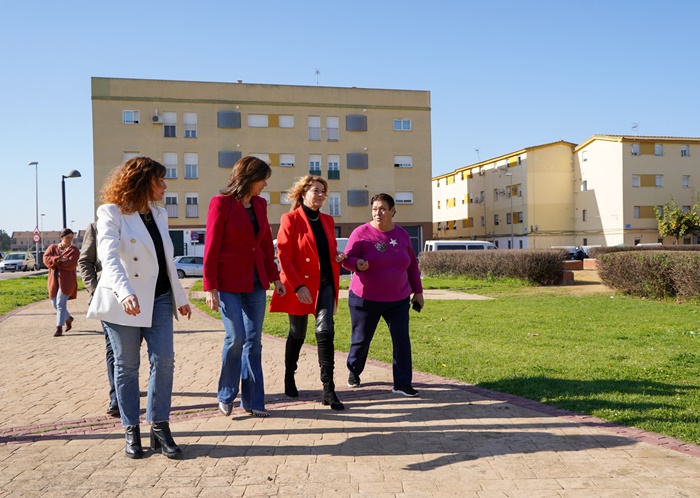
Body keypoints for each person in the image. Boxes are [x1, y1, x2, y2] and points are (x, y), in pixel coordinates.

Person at [86, 157, 192, 459]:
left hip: (159, 298)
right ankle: (130, 429)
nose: (165, 186)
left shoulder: (160, 213)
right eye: (160, 180)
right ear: (142, 182)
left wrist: (180, 298)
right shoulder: (111, 212)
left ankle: (159, 426)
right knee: (127, 367)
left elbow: (166, 260)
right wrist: (125, 292)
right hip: (124, 301)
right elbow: (109, 257)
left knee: (165, 360)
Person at [203, 156, 285, 418]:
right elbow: (211, 246)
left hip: (256, 281)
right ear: (249, 178)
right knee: (236, 336)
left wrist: (275, 278)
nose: (264, 185)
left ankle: (252, 399)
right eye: (262, 179)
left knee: (254, 341)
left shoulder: (260, 204)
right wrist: (210, 286)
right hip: (227, 282)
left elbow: (262, 245)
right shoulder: (221, 203)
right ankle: (226, 393)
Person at [269, 175, 346, 411]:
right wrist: (297, 286)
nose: (320, 194)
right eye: (315, 190)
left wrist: (337, 257)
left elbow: (325, 251)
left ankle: (328, 389)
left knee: (326, 331)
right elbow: (284, 256)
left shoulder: (328, 220)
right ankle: (289, 376)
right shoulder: (290, 219)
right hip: (299, 286)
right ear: (303, 193)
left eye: (323, 191)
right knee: (297, 333)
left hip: (324, 284)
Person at [341, 193, 424, 397]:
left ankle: (402, 383)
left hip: (398, 299)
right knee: (361, 340)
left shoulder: (402, 235)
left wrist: (418, 292)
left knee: (401, 340)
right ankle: (354, 370)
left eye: (383, 209)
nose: (378, 213)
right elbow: (346, 259)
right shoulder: (361, 232)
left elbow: (412, 265)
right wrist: (357, 264)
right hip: (365, 299)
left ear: (393, 210)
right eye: (374, 209)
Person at [78, 222, 119, 417]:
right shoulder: (97, 226)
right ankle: (116, 398)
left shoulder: (142, 220)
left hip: (140, 296)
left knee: (130, 349)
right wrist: (95, 291)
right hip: (108, 297)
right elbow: (85, 261)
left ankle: (125, 385)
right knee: (113, 346)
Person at [43, 228, 80, 337]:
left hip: (67, 281)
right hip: (54, 280)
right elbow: (46, 260)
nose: (69, 240)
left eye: (71, 238)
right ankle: (68, 318)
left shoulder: (74, 250)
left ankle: (59, 328)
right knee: (54, 302)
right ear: (61, 237)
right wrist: (60, 259)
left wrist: (55, 261)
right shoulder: (52, 248)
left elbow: (71, 265)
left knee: (60, 303)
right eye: (67, 237)